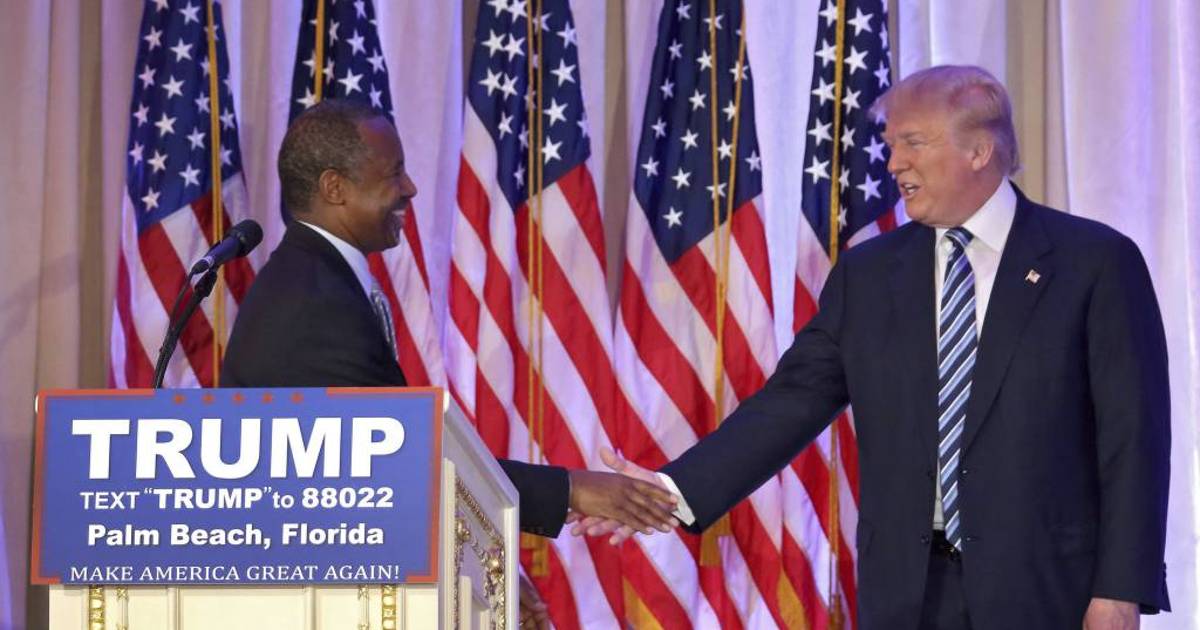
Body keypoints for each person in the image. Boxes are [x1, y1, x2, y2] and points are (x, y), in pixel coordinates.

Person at [578, 65, 1170, 630]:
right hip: (907, 594)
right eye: (891, 145)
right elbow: (790, 403)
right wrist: (673, 492)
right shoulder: (869, 275)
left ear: (978, 150)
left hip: (1047, 592)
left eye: (913, 143)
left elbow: (1133, 439)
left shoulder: (1093, 263)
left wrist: (1119, 589)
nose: (894, 163)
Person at [221, 99, 675, 628]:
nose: (410, 188)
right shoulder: (313, 300)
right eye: (394, 173)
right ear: (334, 187)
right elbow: (397, 462)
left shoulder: (316, 280)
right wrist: (573, 488)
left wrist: (477, 568)